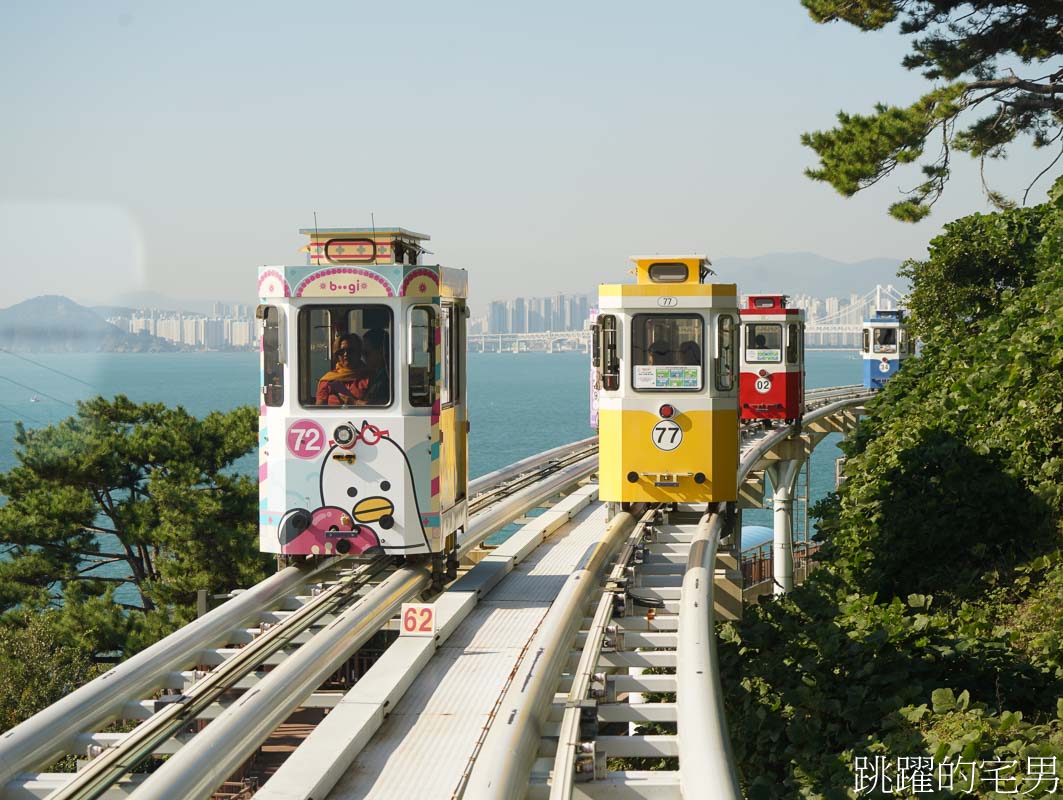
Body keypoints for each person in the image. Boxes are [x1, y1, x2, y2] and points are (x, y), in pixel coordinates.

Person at [315, 334, 364, 405]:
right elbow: (319, 411)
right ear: (337, 355)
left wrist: (355, 403)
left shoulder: (369, 377)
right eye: (341, 351)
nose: (346, 354)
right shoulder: (328, 380)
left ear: (358, 352)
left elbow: (376, 408)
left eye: (350, 350)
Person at [358, 328, 391, 405]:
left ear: (381, 352)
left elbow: (376, 406)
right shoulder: (376, 374)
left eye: (366, 353)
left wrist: (354, 402)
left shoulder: (387, 377)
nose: (363, 358)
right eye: (362, 353)